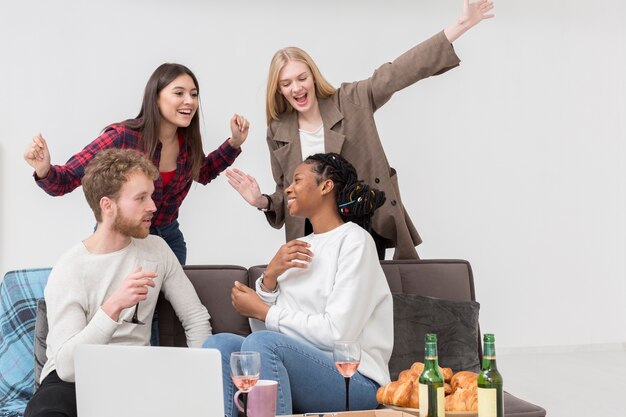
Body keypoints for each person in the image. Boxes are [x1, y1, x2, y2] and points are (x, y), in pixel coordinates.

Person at [225, 0, 495, 260]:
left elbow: (398, 72)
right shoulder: (277, 130)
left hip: (362, 226)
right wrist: (260, 200)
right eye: (286, 83)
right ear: (279, 90)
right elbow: (288, 193)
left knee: (362, 302)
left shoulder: (352, 99)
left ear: (313, 76)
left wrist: (459, 26)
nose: (296, 88)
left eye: (301, 78)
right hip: (311, 236)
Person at [24, 148, 212, 417]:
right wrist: (114, 306)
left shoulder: (156, 250)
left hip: (132, 374)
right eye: (141, 198)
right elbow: (67, 367)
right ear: (107, 206)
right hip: (72, 381)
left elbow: (195, 318)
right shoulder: (71, 269)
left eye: (151, 195)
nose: (153, 206)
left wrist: (199, 380)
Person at [204, 153, 392, 416]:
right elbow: (263, 331)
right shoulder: (299, 248)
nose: (288, 188)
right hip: (301, 369)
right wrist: (269, 278)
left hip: (354, 380)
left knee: (263, 344)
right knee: (220, 346)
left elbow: (338, 334)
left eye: (297, 180)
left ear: (326, 186)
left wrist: (264, 311)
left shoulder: (354, 241)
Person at [24, 62, 249, 265]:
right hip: (121, 237)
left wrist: (234, 143)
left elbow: (204, 172)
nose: (189, 101)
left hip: (169, 240)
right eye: (179, 93)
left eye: (194, 94)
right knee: (118, 308)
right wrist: (44, 170)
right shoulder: (123, 137)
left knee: (166, 309)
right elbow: (66, 180)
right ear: (156, 97)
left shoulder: (187, 144)